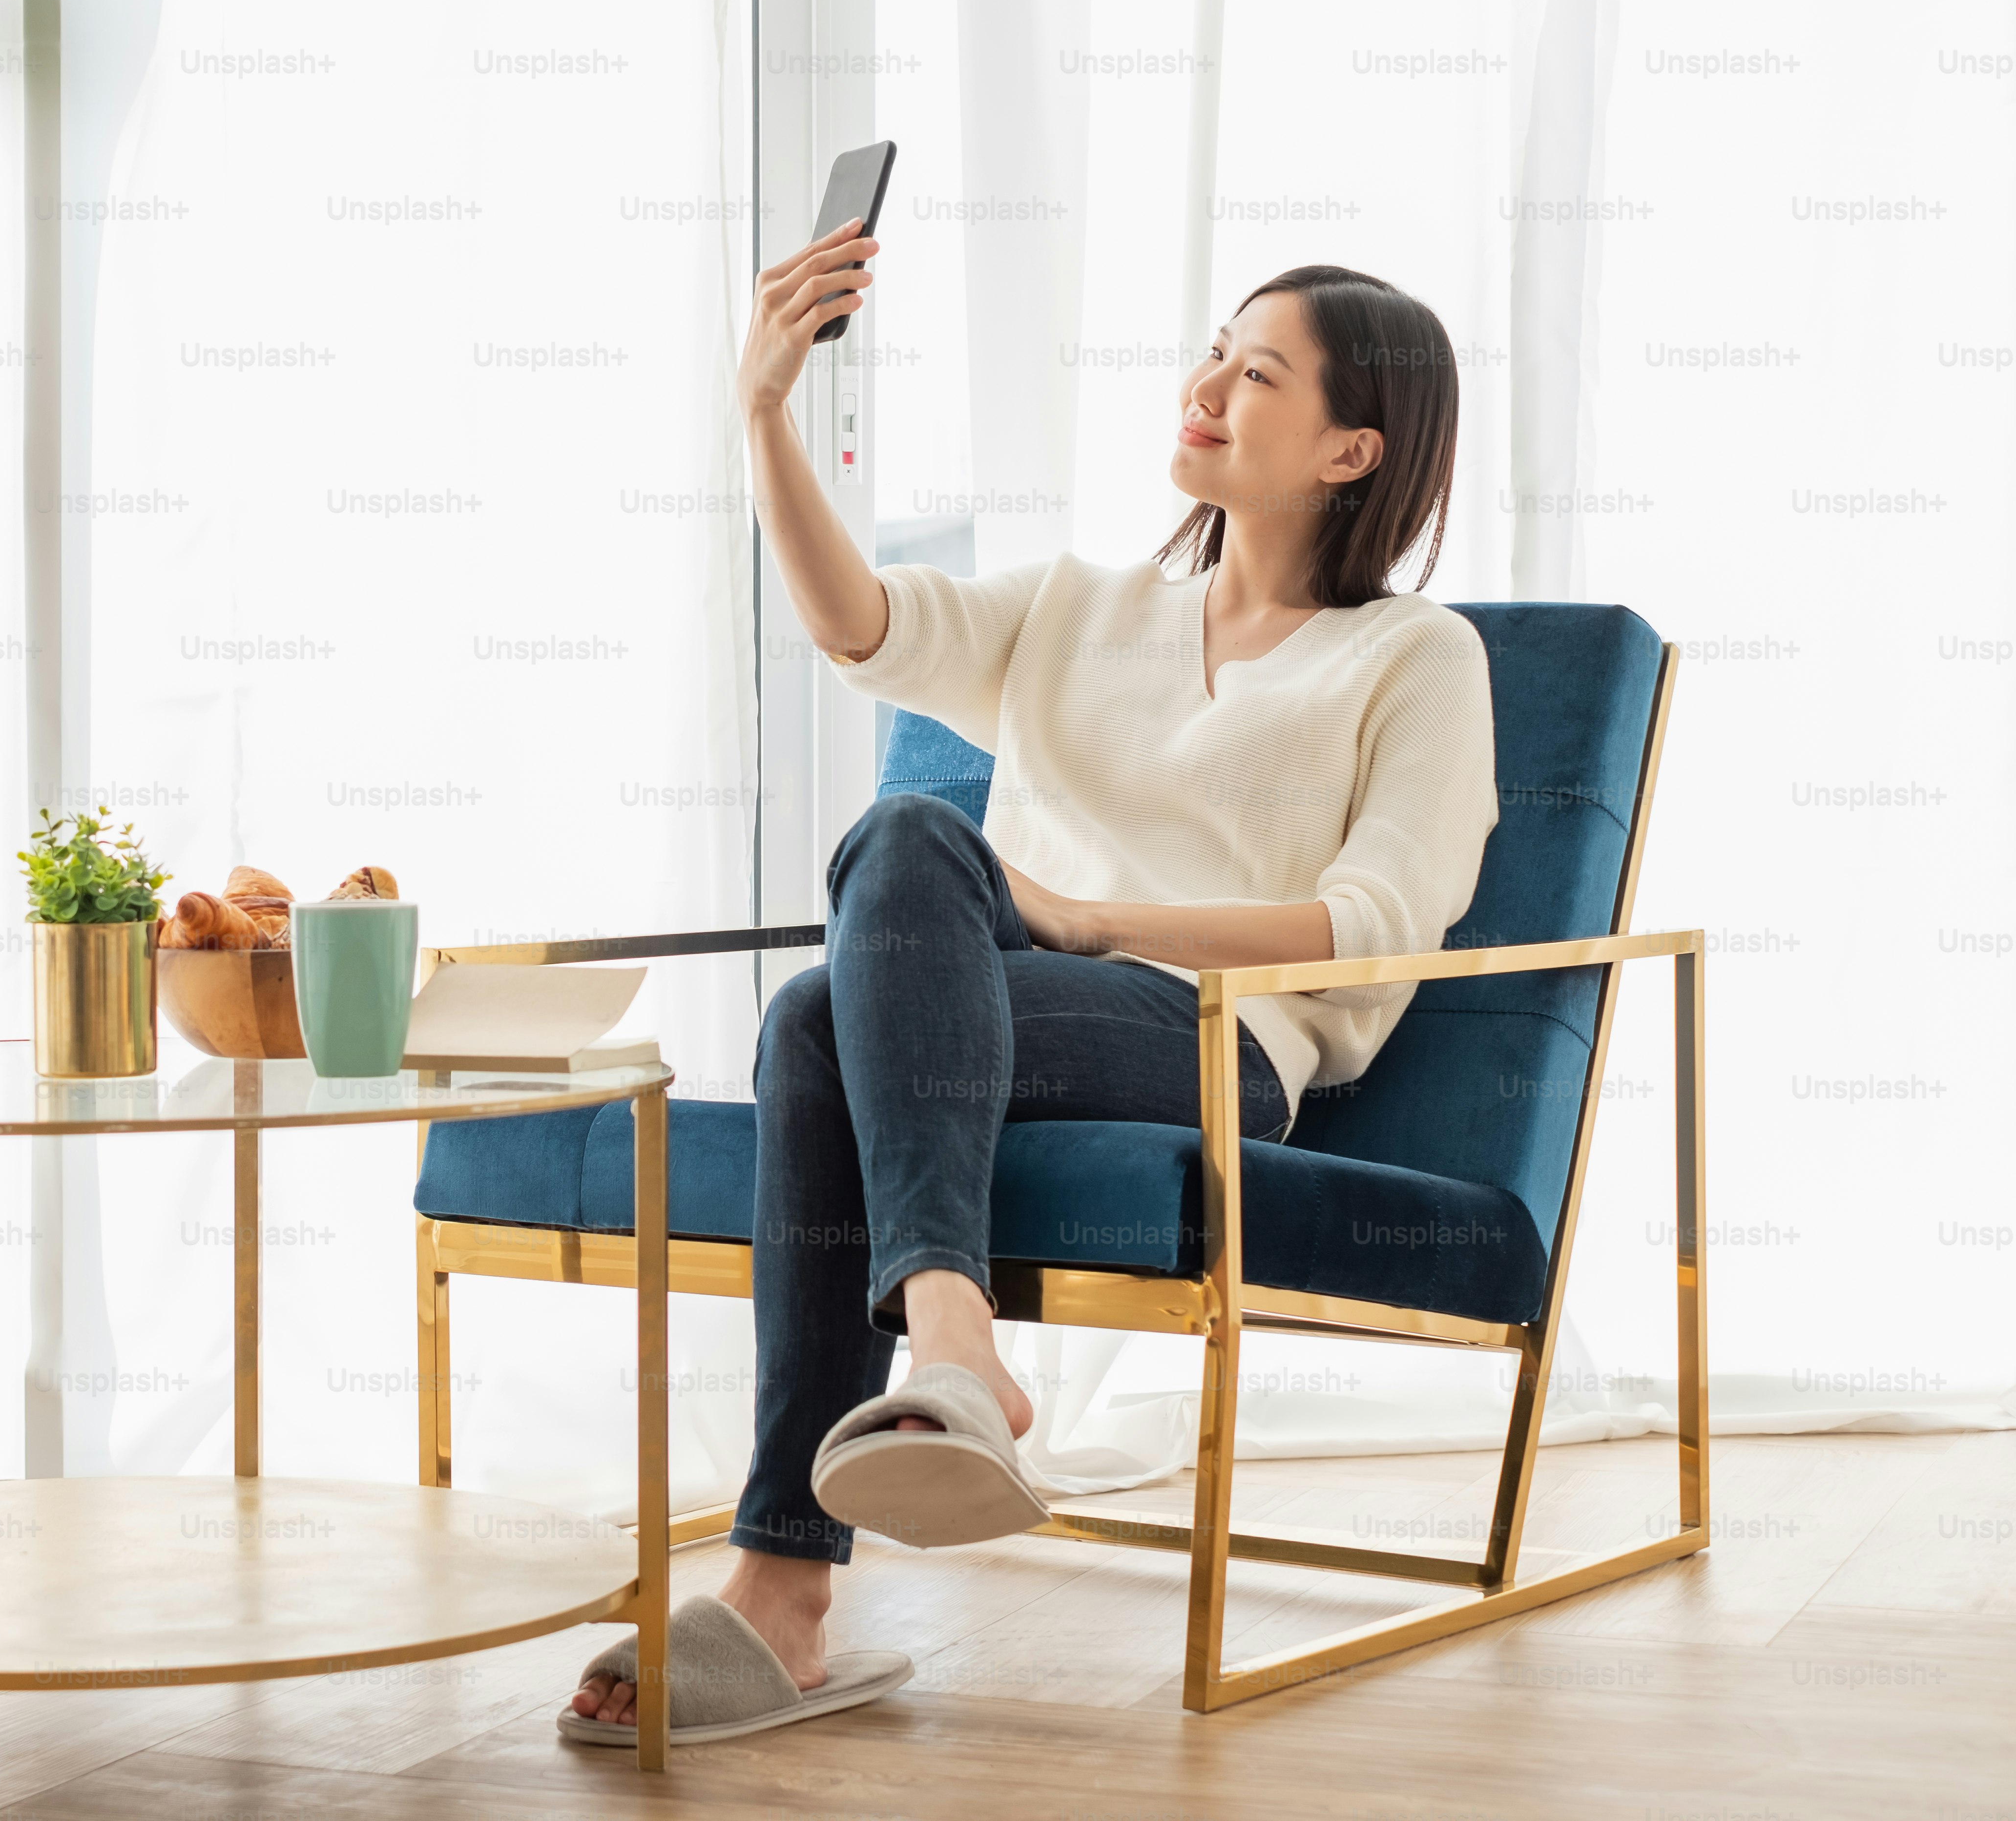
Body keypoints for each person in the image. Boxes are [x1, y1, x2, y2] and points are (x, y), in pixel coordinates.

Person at [565, 226, 1496, 1743]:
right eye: (1213, 349)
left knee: (827, 996)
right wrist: (763, 415)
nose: (1205, 384)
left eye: (1257, 373)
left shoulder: (1413, 658)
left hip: (1213, 1041)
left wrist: (1079, 919)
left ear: (1351, 448)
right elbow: (854, 627)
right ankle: (941, 1360)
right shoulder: (1081, 603)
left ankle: (787, 1579)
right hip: (985, 1004)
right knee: (870, 909)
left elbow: (1368, 925)